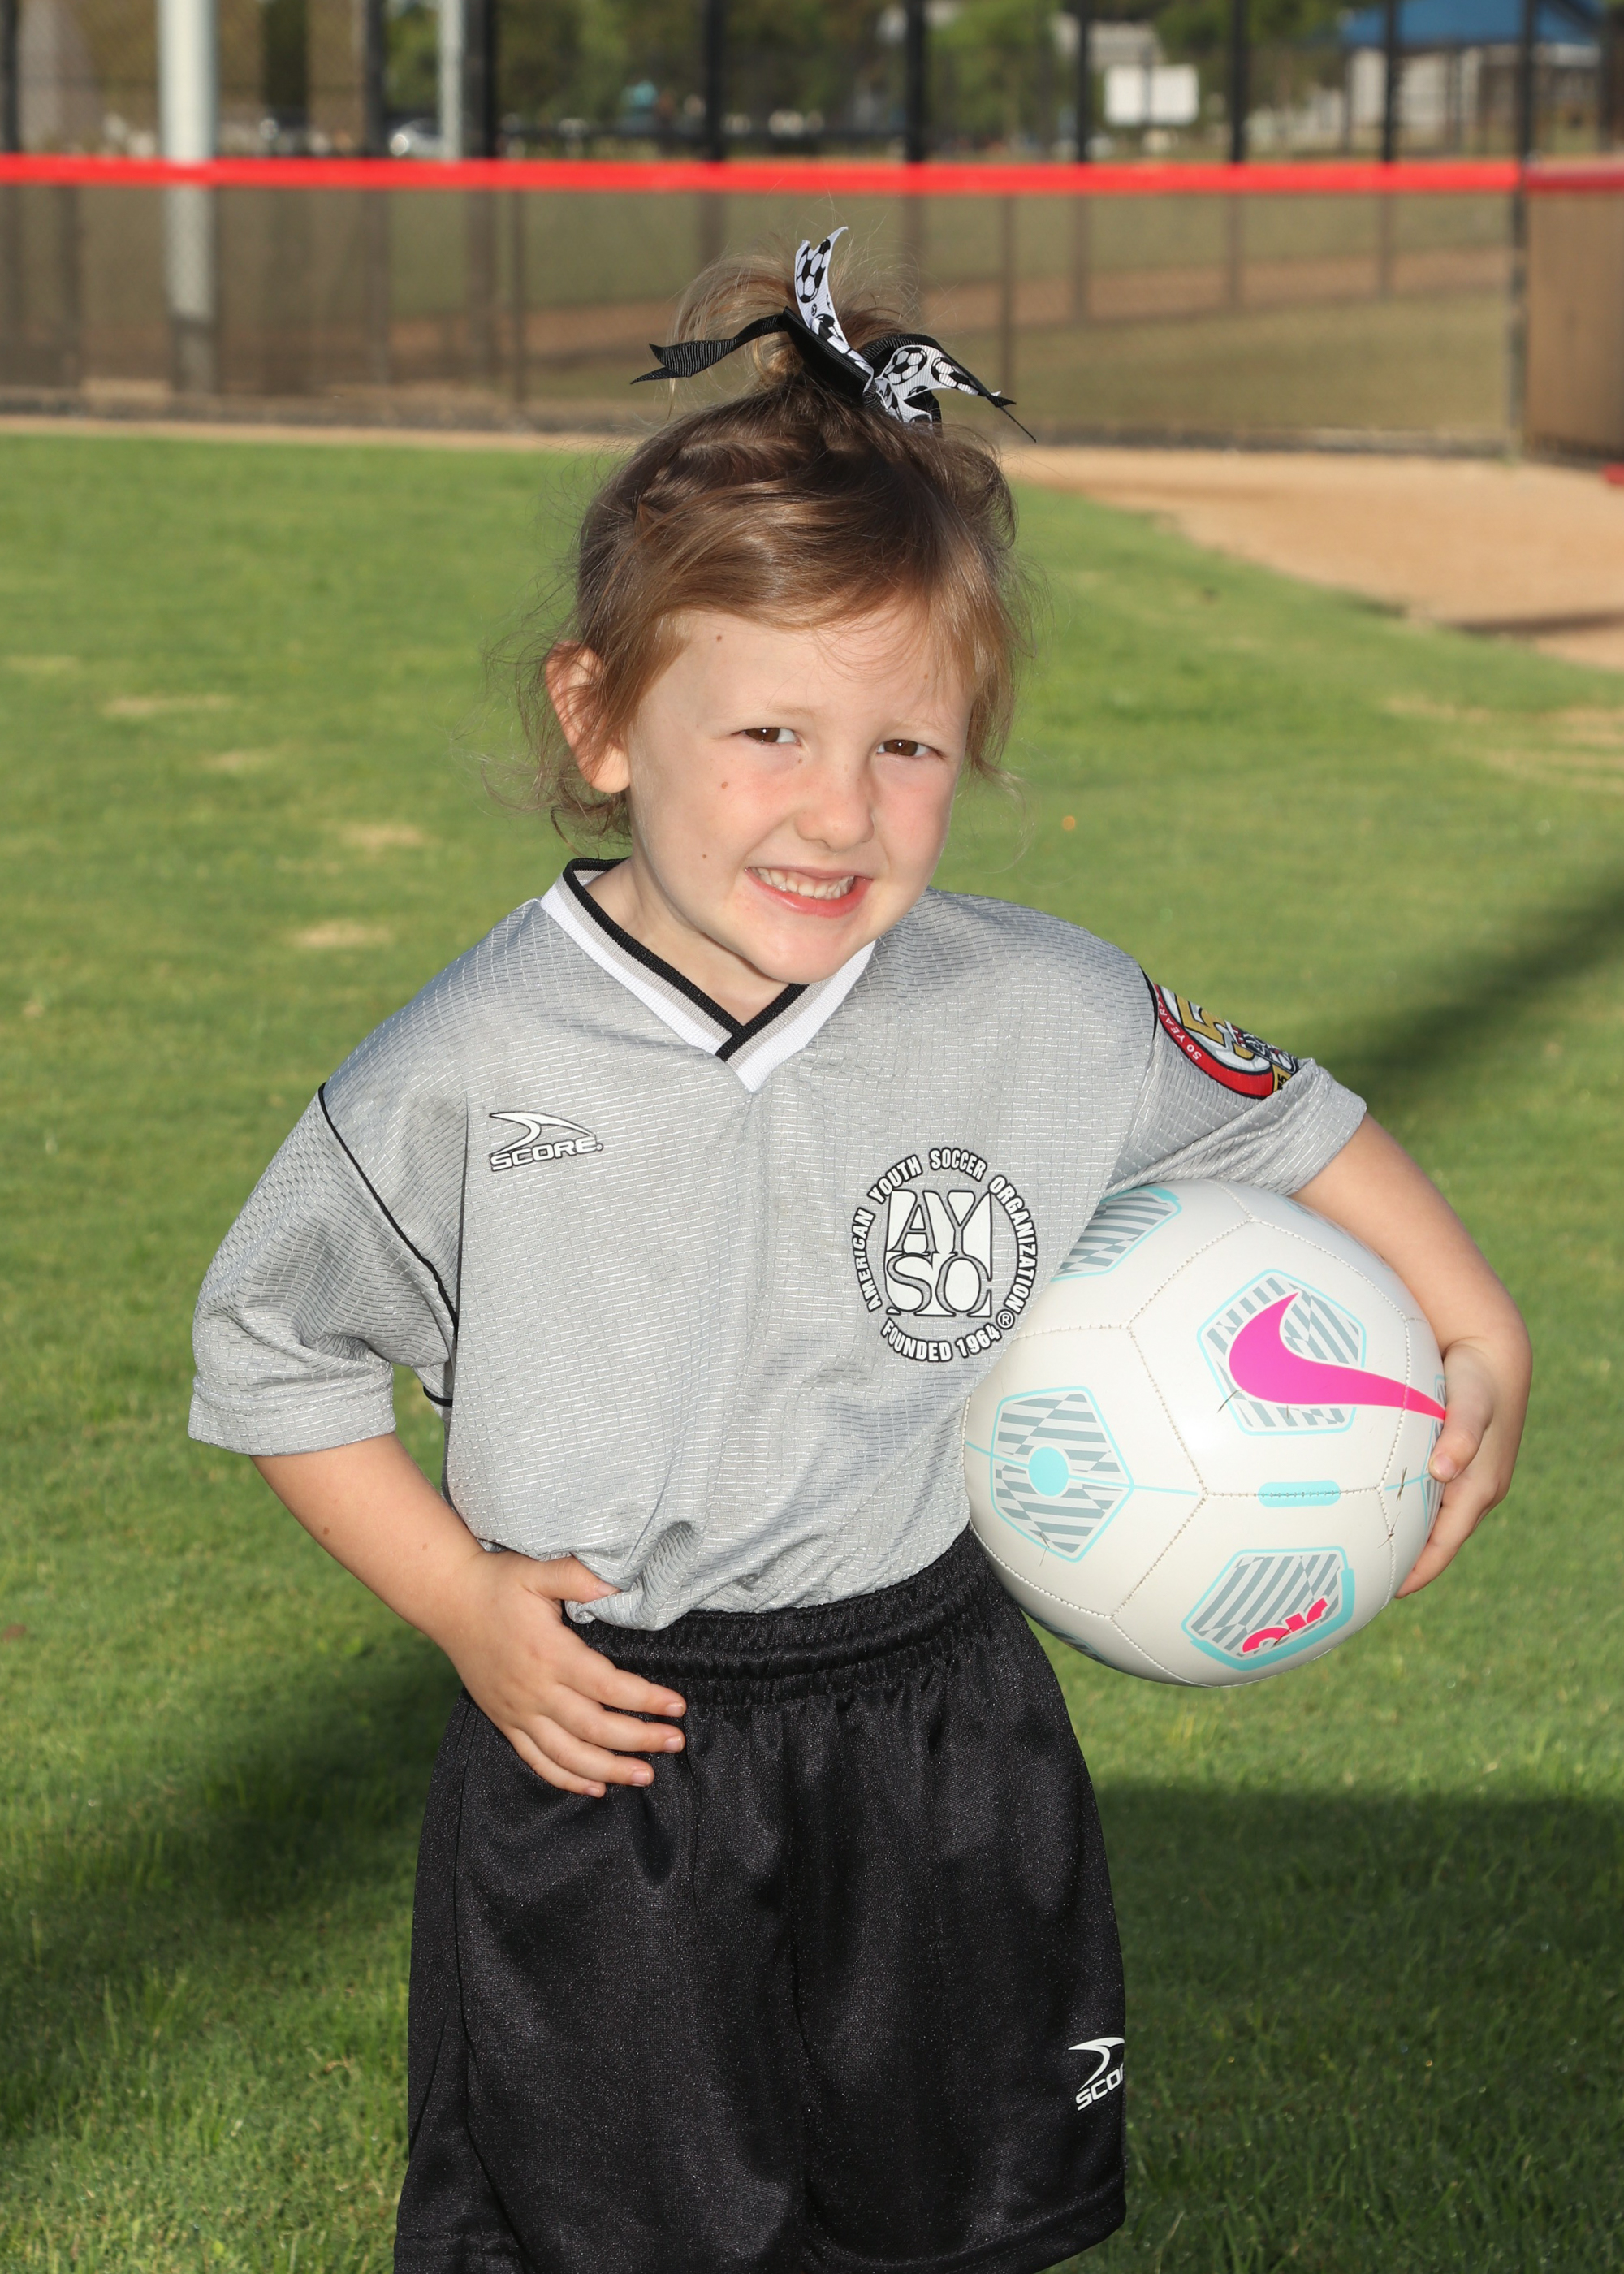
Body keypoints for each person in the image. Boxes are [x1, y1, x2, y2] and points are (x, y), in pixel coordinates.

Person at [188, 231, 1530, 2274]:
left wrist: (1470, 1316)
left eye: (905, 747)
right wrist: (462, 1602)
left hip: (940, 1717)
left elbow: (1287, 1115)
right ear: (601, 715)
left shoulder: (1036, 1006)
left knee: (944, 2217)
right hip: (613, 1733)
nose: (838, 812)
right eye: (770, 737)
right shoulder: (465, 1066)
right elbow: (275, 1349)